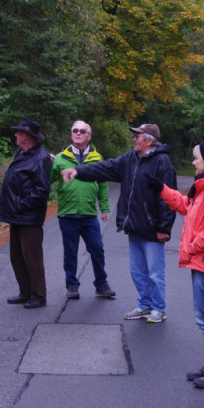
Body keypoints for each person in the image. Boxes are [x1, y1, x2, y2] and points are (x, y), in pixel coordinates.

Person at [147, 139, 204, 388]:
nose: (193, 162)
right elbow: (187, 207)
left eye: (196, 158)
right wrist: (162, 189)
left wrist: (188, 249)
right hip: (203, 262)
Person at [62, 123, 176, 323]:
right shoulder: (130, 159)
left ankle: (159, 308)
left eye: (137, 136)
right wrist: (78, 172)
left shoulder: (162, 162)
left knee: (155, 272)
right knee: (137, 271)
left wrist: (163, 227)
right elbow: (105, 168)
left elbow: (168, 198)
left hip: (153, 228)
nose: (134, 139)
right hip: (135, 226)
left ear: (149, 140)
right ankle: (144, 306)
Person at [0, 117, 52, 309]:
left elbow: (42, 191)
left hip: (29, 217)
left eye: (18, 132)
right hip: (16, 216)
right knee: (17, 257)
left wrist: (20, 205)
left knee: (32, 258)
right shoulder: (22, 154)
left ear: (26, 136)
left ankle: (38, 296)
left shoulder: (41, 158)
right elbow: (13, 183)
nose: (15, 135)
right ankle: (25, 292)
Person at [51, 120, 116, 300]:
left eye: (82, 131)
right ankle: (71, 285)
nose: (78, 133)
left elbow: (103, 184)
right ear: (71, 134)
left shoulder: (97, 158)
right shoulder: (59, 158)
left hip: (89, 214)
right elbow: (47, 180)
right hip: (67, 213)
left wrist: (104, 207)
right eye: (75, 130)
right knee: (70, 252)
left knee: (97, 249)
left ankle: (101, 284)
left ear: (89, 136)